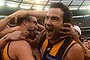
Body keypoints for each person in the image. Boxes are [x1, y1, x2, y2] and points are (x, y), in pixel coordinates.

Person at [0, 2, 85, 60]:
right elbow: (34, 45)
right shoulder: (44, 35)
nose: (47, 22)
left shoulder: (74, 49)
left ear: (66, 24)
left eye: (54, 19)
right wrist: (9, 36)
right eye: (47, 18)